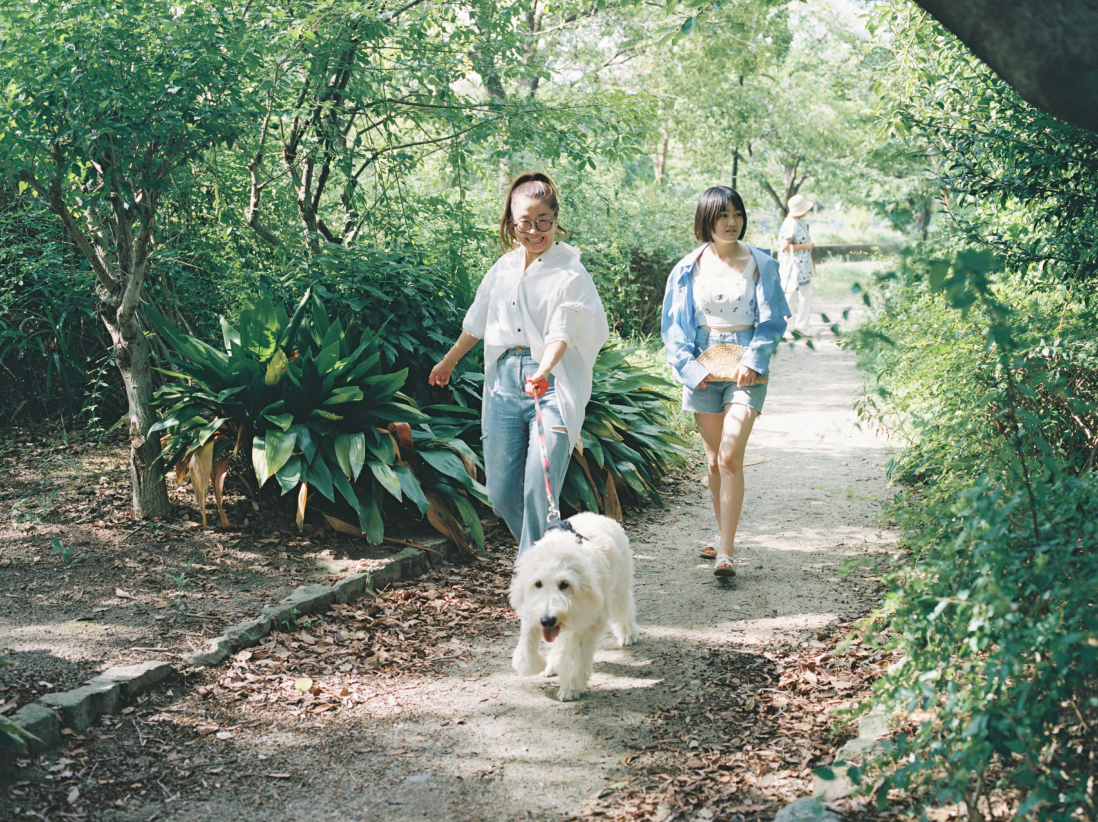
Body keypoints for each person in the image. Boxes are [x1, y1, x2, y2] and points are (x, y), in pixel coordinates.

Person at [428, 172, 609, 557]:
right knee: (500, 494)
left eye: (543, 221)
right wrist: (447, 362)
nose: (534, 230)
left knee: (537, 490)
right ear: (511, 224)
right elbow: (477, 322)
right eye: (524, 222)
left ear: (556, 220)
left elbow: (563, 328)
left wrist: (544, 369)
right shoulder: (504, 268)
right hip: (504, 383)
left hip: (552, 383)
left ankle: (533, 578)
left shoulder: (570, 271)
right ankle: (565, 547)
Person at [661, 186, 790, 577]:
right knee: (714, 461)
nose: (731, 222)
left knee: (731, 454)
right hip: (702, 364)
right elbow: (672, 327)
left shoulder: (760, 264)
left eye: (736, 214)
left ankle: (726, 552)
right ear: (707, 220)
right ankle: (721, 535)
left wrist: (754, 358)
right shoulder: (686, 268)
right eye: (722, 216)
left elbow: (773, 321)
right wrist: (690, 369)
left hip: (745, 365)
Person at [778, 193, 816, 336]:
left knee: (805, 294)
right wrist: (806, 246)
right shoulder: (791, 224)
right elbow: (785, 246)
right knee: (791, 296)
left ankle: (800, 326)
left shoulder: (797, 221)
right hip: (793, 266)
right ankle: (787, 328)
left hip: (801, 267)